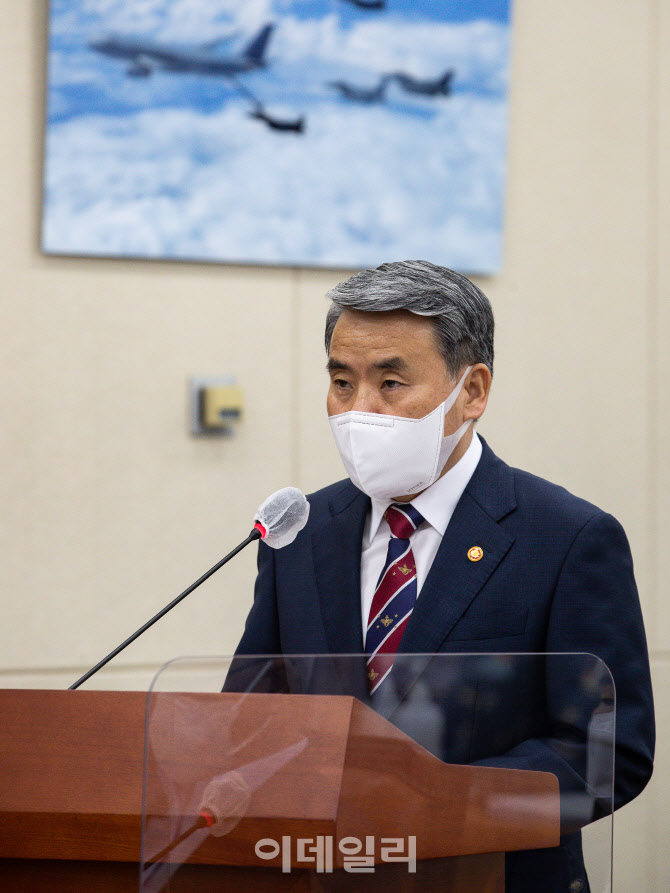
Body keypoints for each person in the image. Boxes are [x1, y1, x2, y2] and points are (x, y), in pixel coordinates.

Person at [233, 260, 654, 892]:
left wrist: (438, 807)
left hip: (489, 874)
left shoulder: (567, 539)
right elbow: (249, 718)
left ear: (473, 391)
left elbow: (609, 751)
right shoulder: (303, 529)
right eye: (342, 383)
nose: (359, 411)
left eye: (391, 382)